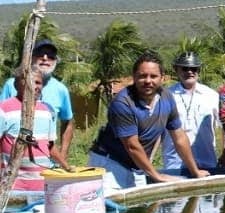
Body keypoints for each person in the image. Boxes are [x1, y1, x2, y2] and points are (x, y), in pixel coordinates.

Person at [88, 51, 209, 190]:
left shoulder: (166, 98)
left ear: (162, 78)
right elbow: (132, 146)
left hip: (138, 166)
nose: (148, 81)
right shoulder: (123, 103)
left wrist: (195, 171)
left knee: (141, 209)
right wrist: (157, 176)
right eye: (142, 76)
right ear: (134, 77)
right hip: (111, 164)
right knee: (115, 209)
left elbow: (179, 137)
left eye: (153, 76)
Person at [0, 39, 74, 164]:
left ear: (55, 61)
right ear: (31, 57)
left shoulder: (61, 89)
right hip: (11, 167)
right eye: (41, 53)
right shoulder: (12, 85)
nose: (45, 58)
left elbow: (68, 122)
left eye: (50, 55)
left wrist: (63, 155)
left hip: (45, 165)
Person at [0, 68, 68, 197]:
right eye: (31, 82)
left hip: (42, 186)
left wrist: (66, 167)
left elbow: (50, 146)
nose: (36, 86)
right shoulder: (4, 110)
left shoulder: (46, 111)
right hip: (13, 188)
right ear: (18, 84)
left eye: (38, 83)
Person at [161, 51, 219, 172]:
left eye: (194, 68)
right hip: (175, 162)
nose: (189, 72)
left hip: (206, 160)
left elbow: (218, 128)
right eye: (185, 68)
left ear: (199, 70)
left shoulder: (211, 95)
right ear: (176, 70)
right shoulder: (165, 96)